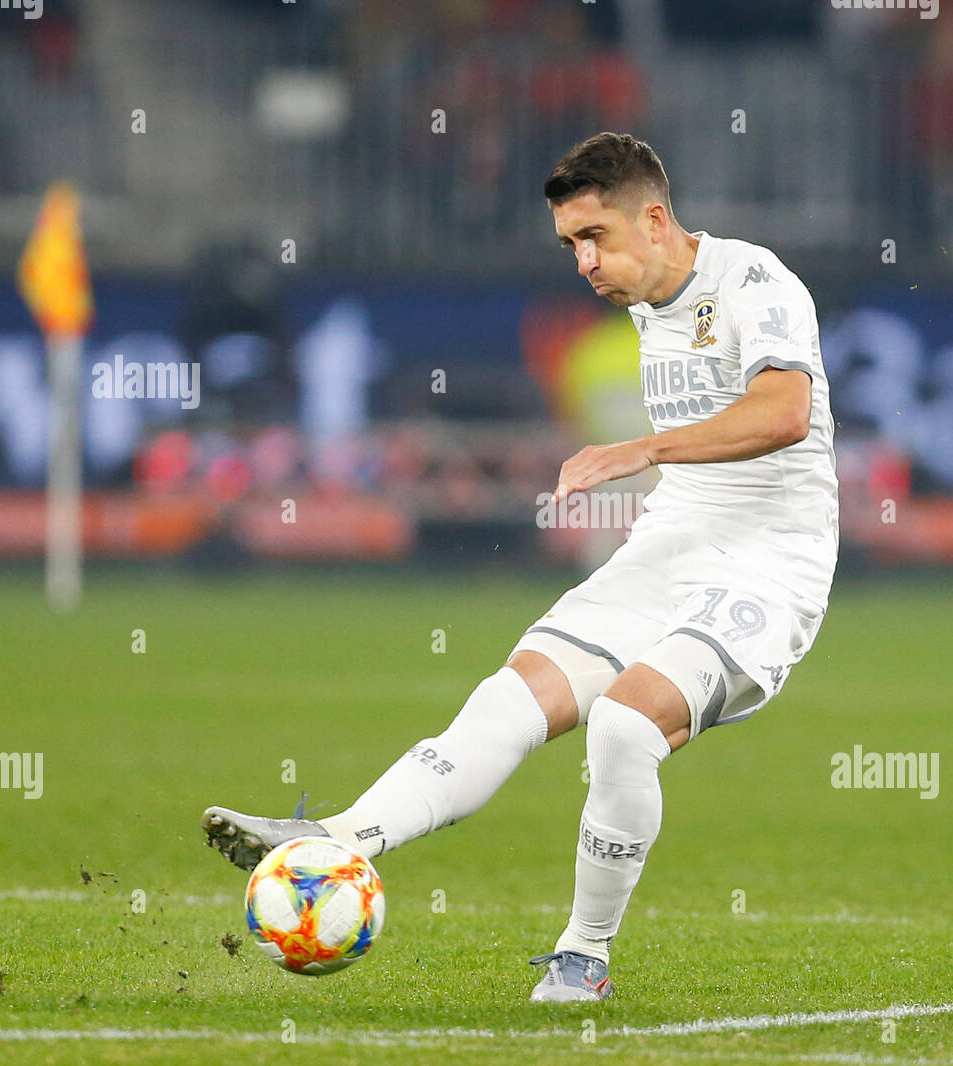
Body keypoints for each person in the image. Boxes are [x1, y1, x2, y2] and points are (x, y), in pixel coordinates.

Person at [204, 132, 839, 1002]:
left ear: (655, 220)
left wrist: (638, 450)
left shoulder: (753, 282)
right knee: (510, 698)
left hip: (769, 568)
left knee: (622, 726)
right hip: (670, 544)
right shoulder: (645, 301)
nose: (582, 262)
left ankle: (585, 955)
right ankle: (335, 839)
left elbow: (784, 412)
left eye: (595, 238)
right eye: (569, 244)